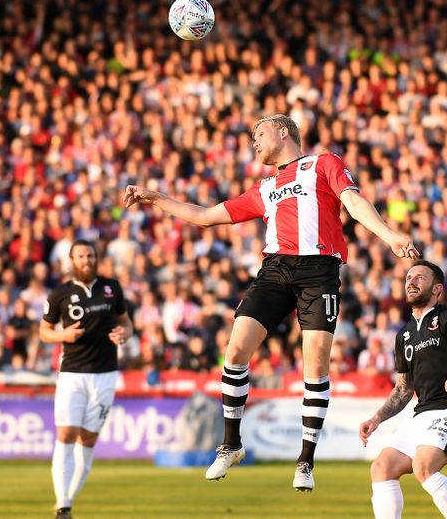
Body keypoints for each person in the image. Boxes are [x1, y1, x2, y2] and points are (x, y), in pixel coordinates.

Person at [123, 114, 419, 490]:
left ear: (283, 132)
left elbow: (354, 203)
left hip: (319, 270)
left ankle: (305, 461)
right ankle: (231, 444)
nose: (254, 142)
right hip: (276, 269)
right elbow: (205, 217)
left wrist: (390, 236)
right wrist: (156, 198)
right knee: (235, 350)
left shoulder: (324, 164)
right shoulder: (265, 188)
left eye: (259, 134)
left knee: (316, 363)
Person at [359, 260, 447, 519]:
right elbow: (403, 389)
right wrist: (377, 418)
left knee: (424, 466)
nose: (411, 281)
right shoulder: (404, 336)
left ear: (437, 288)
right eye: (408, 278)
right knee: (382, 466)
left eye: (419, 277)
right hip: (422, 413)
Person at [39, 239, 133, 519]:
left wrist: (125, 334)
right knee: (66, 434)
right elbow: (44, 331)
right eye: (80, 256)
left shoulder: (111, 288)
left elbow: (126, 322)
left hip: (105, 373)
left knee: (88, 439)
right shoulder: (59, 294)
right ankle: (63, 504)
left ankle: (68, 499)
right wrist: (63, 335)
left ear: (96, 258)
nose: (86, 260)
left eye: (90, 255)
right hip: (72, 372)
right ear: (71, 261)